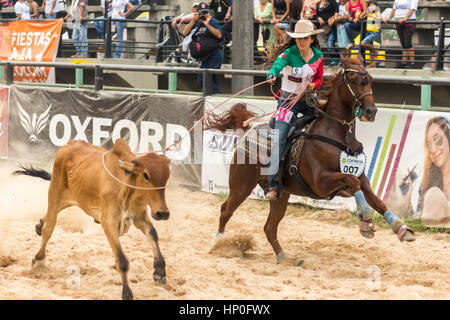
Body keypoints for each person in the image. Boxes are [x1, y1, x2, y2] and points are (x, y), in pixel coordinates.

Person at [265, 19, 324, 200]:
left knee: (322, 129)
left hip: (308, 100)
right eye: (299, 38)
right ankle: (273, 184)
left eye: (305, 38)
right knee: (280, 138)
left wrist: (314, 86)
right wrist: (272, 74)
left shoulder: (318, 56)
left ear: (312, 39)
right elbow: (277, 66)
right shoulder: (288, 54)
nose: (301, 41)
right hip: (287, 100)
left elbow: (320, 78)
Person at [397, 117, 450, 226]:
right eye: (429, 145)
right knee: (433, 193)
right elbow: (419, 223)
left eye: (437, 139)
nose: (434, 149)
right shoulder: (427, 182)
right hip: (433, 238)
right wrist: (406, 202)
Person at [183, 2, 223, 94]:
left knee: (202, 80)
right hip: (205, 57)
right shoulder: (196, 22)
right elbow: (185, 33)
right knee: (211, 83)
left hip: (214, 56)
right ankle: (214, 99)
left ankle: (221, 99)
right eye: (202, 13)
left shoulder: (213, 21)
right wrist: (193, 20)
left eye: (206, 12)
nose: (204, 15)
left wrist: (207, 23)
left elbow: (219, 35)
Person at [383, 0, 418, 69]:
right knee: (403, 42)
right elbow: (394, 9)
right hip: (398, 21)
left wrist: (405, 18)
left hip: (409, 20)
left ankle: (412, 62)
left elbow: (412, 9)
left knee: (408, 42)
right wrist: (389, 18)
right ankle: (404, 62)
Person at [361, 0, 381, 68]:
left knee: (363, 43)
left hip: (374, 31)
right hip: (368, 31)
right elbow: (361, 17)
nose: (371, 6)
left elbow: (380, 18)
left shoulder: (377, 12)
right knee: (370, 49)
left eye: (373, 5)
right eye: (370, 5)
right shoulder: (368, 13)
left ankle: (376, 48)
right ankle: (372, 63)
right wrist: (360, 15)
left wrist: (372, 16)